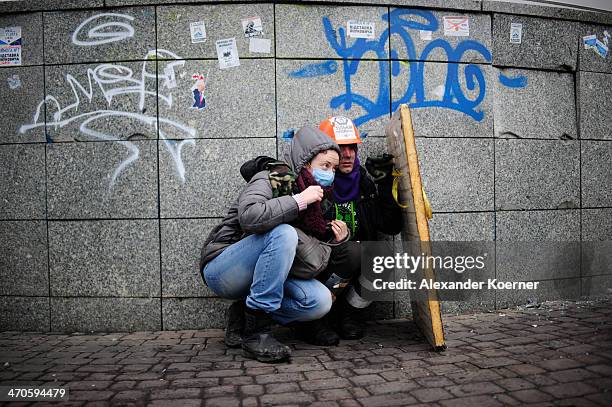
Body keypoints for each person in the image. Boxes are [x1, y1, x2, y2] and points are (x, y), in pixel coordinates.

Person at [199, 126, 349, 362]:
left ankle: (243, 315)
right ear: (306, 162)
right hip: (224, 268)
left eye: (333, 168)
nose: (330, 173)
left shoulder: (320, 199)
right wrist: (298, 200)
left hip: (269, 273)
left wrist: (335, 239)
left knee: (318, 302)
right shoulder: (272, 178)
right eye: (324, 165)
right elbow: (249, 216)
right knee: (284, 233)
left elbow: (309, 254)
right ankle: (256, 334)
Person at [317, 115, 403, 340]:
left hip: (354, 266)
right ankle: (318, 318)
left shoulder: (364, 183)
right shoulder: (315, 184)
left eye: (351, 147)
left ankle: (349, 314)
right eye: (340, 148)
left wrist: (384, 185)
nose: (347, 154)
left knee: (383, 256)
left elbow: (391, 226)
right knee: (349, 253)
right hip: (322, 265)